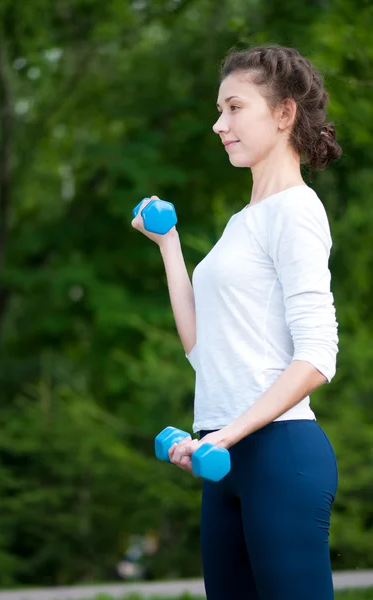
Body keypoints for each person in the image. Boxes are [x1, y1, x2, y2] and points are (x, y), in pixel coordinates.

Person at [132, 45, 342, 600]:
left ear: (283, 114)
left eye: (233, 108)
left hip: (279, 454)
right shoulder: (242, 222)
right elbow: (202, 350)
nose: (218, 124)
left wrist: (230, 432)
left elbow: (318, 354)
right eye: (219, 111)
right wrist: (169, 245)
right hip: (224, 459)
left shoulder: (297, 211)